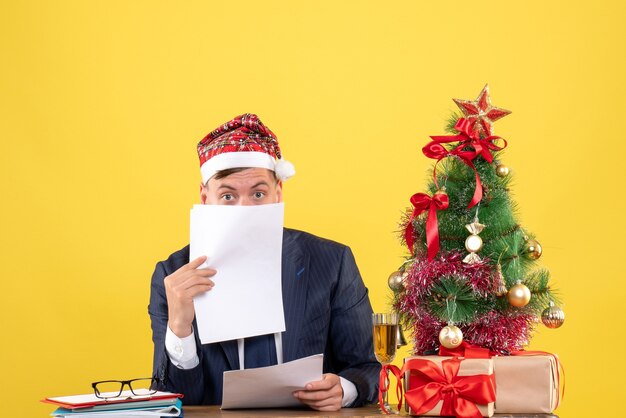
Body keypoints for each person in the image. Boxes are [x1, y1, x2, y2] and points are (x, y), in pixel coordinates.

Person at [148, 114, 380, 411]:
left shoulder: (332, 261)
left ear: (278, 193)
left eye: (258, 194)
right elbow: (174, 401)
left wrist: (345, 389)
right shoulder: (172, 275)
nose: (245, 210)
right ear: (205, 198)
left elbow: (368, 368)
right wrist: (180, 327)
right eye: (228, 196)